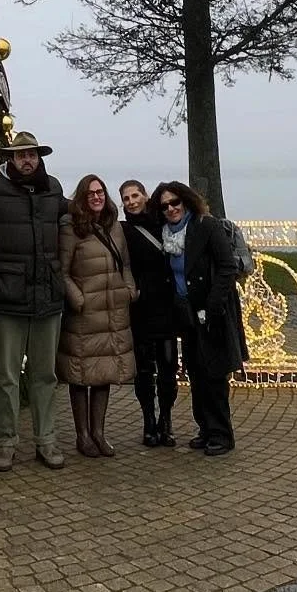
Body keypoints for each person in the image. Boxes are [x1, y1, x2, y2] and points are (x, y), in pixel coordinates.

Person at [0, 130, 70, 470]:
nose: (27, 160)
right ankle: (6, 442)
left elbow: (73, 217)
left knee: (45, 375)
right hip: (8, 298)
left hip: (47, 297)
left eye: (32, 155)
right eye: (21, 155)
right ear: (11, 158)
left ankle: (46, 441)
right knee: (6, 376)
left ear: (39, 157)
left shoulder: (54, 188)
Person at [150, 180, 248, 457]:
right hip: (186, 314)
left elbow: (227, 267)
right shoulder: (167, 234)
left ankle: (221, 433)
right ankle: (205, 428)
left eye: (175, 203)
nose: (170, 209)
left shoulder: (206, 226)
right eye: (165, 205)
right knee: (195, 372)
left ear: (186, 201)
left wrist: (212, 306)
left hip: (212, 312)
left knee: (214, 374)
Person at [58, 175, 137, 457]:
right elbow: (63, 271)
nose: (96, 197)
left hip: (112, 311)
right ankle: (82, 435)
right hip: (84, 313)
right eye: (90, 193)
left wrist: (129, 290)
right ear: (82, 196)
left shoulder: (114, 225)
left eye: (100, 192)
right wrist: (77, 299)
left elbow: (125, 263)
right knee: (80, 374)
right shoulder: (71, 227)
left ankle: (99, 433)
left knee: (104, 373)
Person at [119, 179, 179, 447]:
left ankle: (166, 420)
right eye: (126, 198)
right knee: (143, 370)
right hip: (140, 308)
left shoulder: (163, 224)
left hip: (166, 305)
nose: (131, 201)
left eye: (135, 195)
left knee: (168, 367)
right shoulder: (122, 231)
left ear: (145, 196)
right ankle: (148, 421)